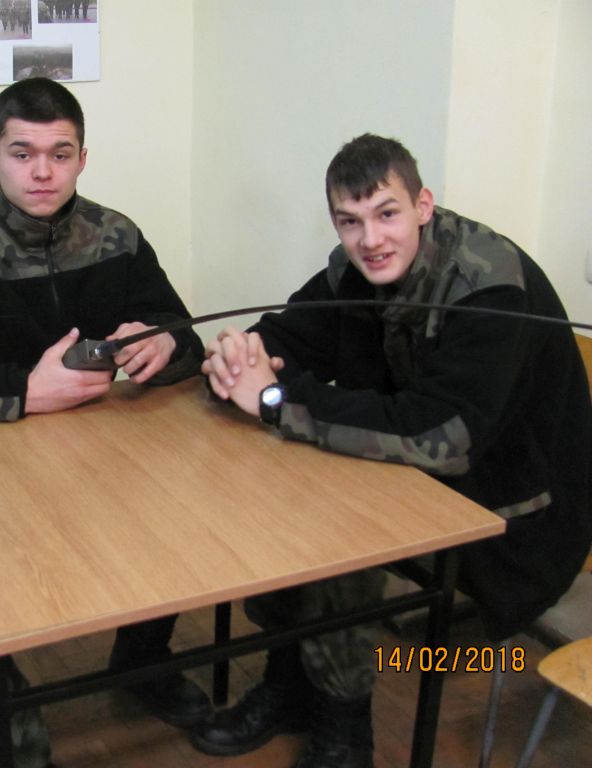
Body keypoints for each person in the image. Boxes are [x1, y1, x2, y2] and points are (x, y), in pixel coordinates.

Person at [193, 133, 592, 767]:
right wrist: (240, 354)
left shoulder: (492, 285)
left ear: (423, 206)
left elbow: (441, 438)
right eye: (350, 222)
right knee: (288, 498)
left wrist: (273, 400)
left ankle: (345, 733)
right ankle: (291, 686)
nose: (370, 239)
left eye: (386, 214)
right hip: (426, 478)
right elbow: (289, 334)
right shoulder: (356, 269)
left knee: (342, 541)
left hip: (515, 514)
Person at [0, 77, 209, 765]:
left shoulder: (117, 236)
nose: (43, 172)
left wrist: (166, 344)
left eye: (60, 153)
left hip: (104, 455)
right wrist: (22, 392)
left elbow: (183, 334)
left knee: (173, 514)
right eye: (23, 154)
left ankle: (141, 658)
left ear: (84, 158)